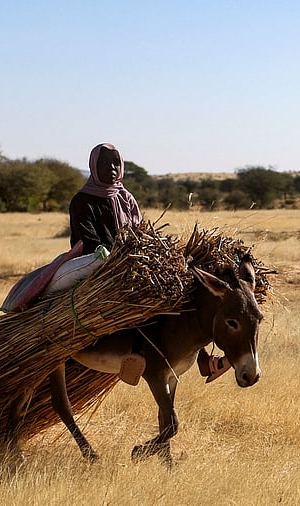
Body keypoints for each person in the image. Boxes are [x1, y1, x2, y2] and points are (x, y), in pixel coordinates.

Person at [69, 143, 229, 385]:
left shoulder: (126, 198)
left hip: (132, 259)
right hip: (96, 262)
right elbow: (88, 240)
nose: (111, 168)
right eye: (104, 163)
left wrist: (148, 251)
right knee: (136, 294)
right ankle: (136, 351)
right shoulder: (82, 200)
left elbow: (139, 229)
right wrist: (119, 257)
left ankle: (203, 357)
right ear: (93, 166)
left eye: (115, 163)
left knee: (180, 289)